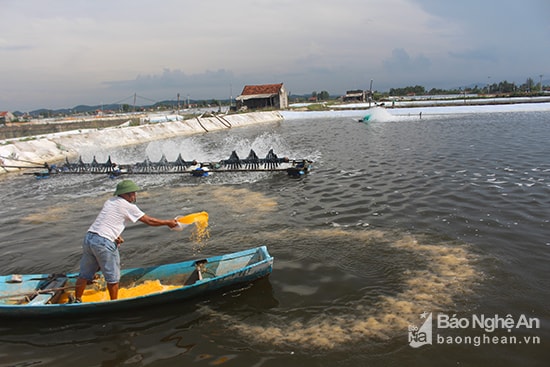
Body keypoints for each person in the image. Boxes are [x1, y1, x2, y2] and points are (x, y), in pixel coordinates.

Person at [73, 180, 178, 302]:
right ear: (127, 194)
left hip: (90, 237)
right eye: (133, 193)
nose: (135, 196)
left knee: (84, 274)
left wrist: (116, 236)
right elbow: (149, 221)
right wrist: (168, 223)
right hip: (103, 241)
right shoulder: (128, 206)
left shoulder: (110, 201)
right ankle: (114, 303)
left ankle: (77, 299)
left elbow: (108, 220)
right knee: (113, 278)